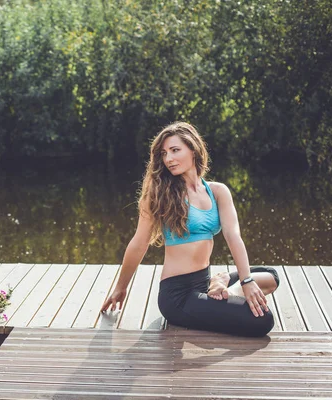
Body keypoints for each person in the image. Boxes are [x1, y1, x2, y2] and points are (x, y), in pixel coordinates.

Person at [100, 122, 280, 337]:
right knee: (263, 321)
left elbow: (233, 237)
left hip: (203, 282)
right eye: (164, 153)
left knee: (271, 275)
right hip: (179, 296)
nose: (169, 159)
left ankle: (219, 282)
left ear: (193, 149)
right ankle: (222, 290)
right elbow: (139, 243)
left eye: (175, 150)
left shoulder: (218, 191)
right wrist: (120, 287)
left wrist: (247, 280)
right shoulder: (160, 194)